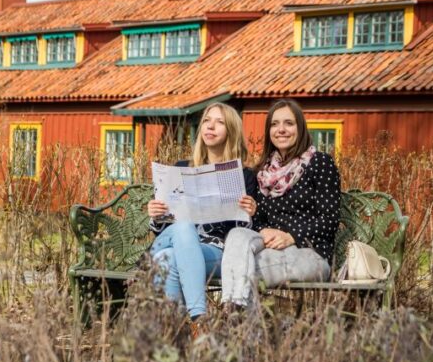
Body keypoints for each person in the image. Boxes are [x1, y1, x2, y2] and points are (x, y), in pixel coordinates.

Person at [220, 98, 341, 307]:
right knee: (238, 235)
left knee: (243, 269)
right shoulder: (263, 172)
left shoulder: (320, 163)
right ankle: (239, 320)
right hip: (269, 248)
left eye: (289, 123)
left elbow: (329, 220)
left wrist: (290, 235)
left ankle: (236, 323)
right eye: (275, 124)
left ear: (300, 128)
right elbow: (258, 222)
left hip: (310, 252)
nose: (281, 130)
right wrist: (258, 222)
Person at [146, 102, 258, 327]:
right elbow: (161, 226)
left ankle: (173, 334)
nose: (210, 126)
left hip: (215, 251)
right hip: (174, 237)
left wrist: (249, 213)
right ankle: (200, 318)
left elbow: (241, 234)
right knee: (184, 227)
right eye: (207, 120)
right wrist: (155, 213)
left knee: (165, 260)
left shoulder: (244, 175)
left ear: (231, 131)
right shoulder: (181, 167)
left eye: (219, 122)